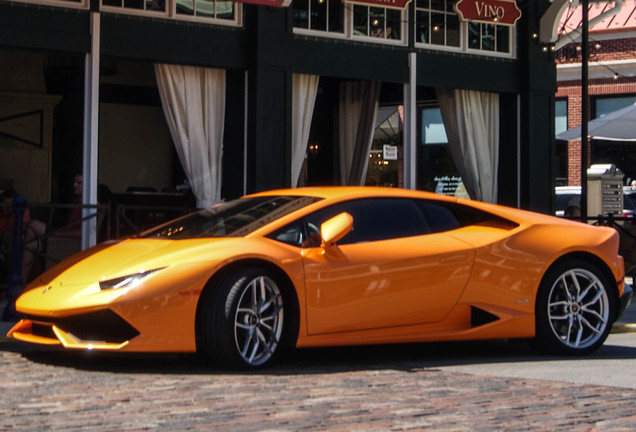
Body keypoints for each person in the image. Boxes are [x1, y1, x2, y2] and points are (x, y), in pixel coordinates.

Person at [0, 188, 46, 283]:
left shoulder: (21, 211)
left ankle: (18, 282)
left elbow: (22, 228)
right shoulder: (2, 215)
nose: (5, 208)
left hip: (17, 242)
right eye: (3, 205)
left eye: (8, 206)